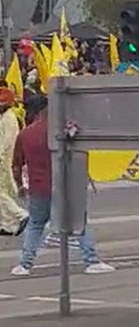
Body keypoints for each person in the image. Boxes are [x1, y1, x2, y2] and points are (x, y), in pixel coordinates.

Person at [11, 94, 114, 276]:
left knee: (35, 224)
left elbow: (16, 164)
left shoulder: (24, 134)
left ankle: (24, 265)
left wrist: (20, 186)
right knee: (78, 222)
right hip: (64, 185)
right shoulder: (60, 130)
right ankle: (92, 260)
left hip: (37, 187)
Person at [0, 87, 28, 236]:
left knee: (2, 193)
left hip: (5, 162)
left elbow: (6, 145)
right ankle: (8, 225)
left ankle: (21, 215)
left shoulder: (9, 119)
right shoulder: (5, 118)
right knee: (6, 193)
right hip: (4, 162)